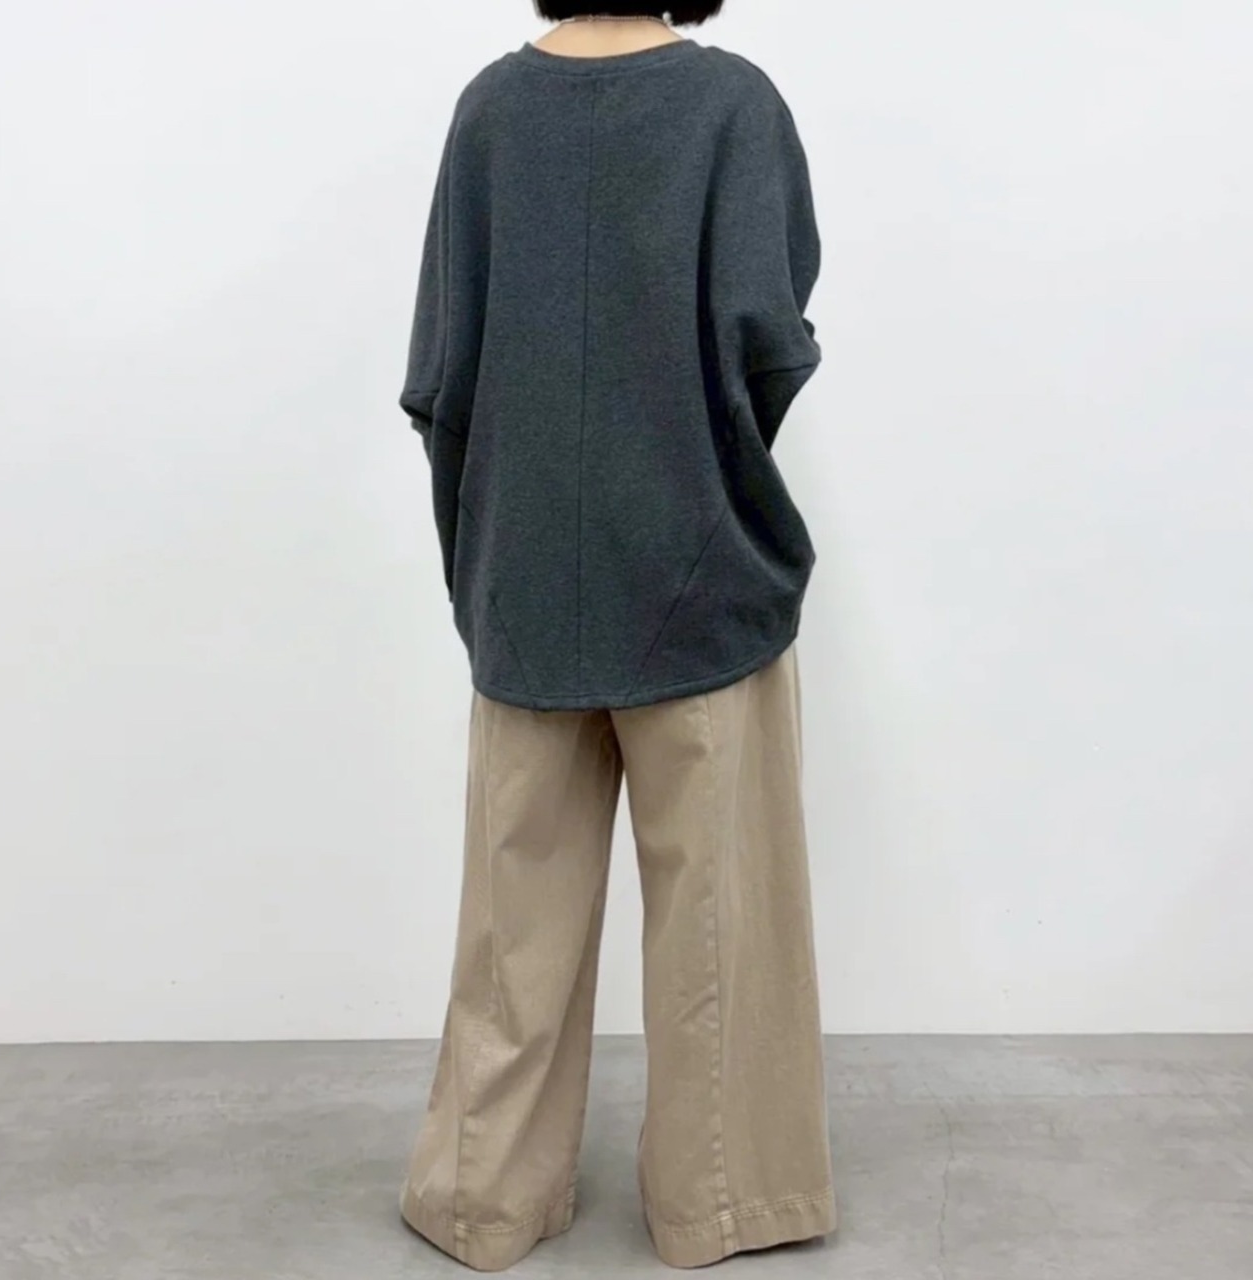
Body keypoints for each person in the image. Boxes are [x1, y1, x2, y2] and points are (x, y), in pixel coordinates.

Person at [397, 2, 836, 1269]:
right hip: (699, 569)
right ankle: (722, 1199)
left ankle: (483, 1198)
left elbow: (441, 373)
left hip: (524, 571)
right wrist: (699, 466)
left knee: (511, 924)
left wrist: (485, 551)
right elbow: (769, 337)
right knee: (721, 929)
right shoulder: (731, 104)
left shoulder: (489, 112)